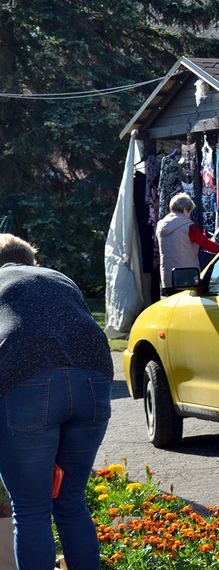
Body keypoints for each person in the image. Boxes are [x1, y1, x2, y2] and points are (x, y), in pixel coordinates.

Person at [0, 234, 115, 569]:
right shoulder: (59, 279)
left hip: (26, 381)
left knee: (31, 508)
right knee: (71, 501)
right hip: (93, 381)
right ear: (32, 261)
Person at [155, 192, 219, 295]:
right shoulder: (188, 226)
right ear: (185, 210)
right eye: (190, 212)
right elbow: (205, 244)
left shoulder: (160, 225)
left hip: (167, 278)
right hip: (186, 277)